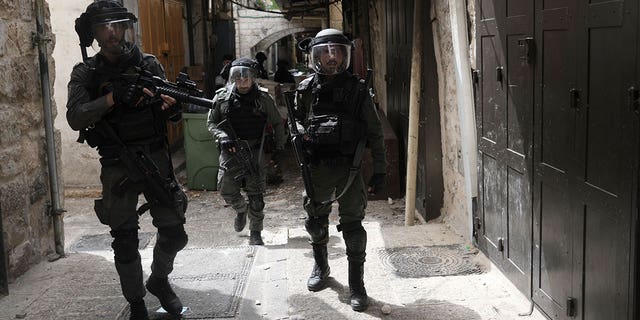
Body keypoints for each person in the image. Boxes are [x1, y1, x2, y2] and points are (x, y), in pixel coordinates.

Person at [66, 1, 188, 319]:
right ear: (93, 33)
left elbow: (167, 110)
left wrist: (171, 108)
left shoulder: (148, 65)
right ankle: (136, 301)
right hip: (117, 162)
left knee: (175, 231)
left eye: (117, 26)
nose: (111, 32)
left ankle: (159, 281)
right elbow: (75, 118)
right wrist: (111, 98)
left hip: (155, 156)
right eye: (103, 27)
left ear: (125, 29)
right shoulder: (86, 74)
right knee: (124, 238)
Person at [293, 28, 386, 312]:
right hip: (317, 168)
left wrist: (380, 169)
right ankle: (321, 267)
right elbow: (295, 121)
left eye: (337, 52)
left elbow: (375, 132)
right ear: (315, 56)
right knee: (315, 222)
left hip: (350, 168)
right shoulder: (305, 90)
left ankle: (356, 285)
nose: (331, 58)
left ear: (345, 56)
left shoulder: (358, 91)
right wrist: (297, 132)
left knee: (354, 229)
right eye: (325, 52)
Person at [207, 57, 286, 245]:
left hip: (254, 151)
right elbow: (211, 122)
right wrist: (222, 136)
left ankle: (255, 232)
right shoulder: (222, 98)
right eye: (238, 78)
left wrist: (279, 147)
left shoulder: (263, 99)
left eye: (246, 78)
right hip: (230, 150)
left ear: (253, 79)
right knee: (226, 189)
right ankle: (241, 210)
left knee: (256, 195)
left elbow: (277, 123)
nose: (242, 82)